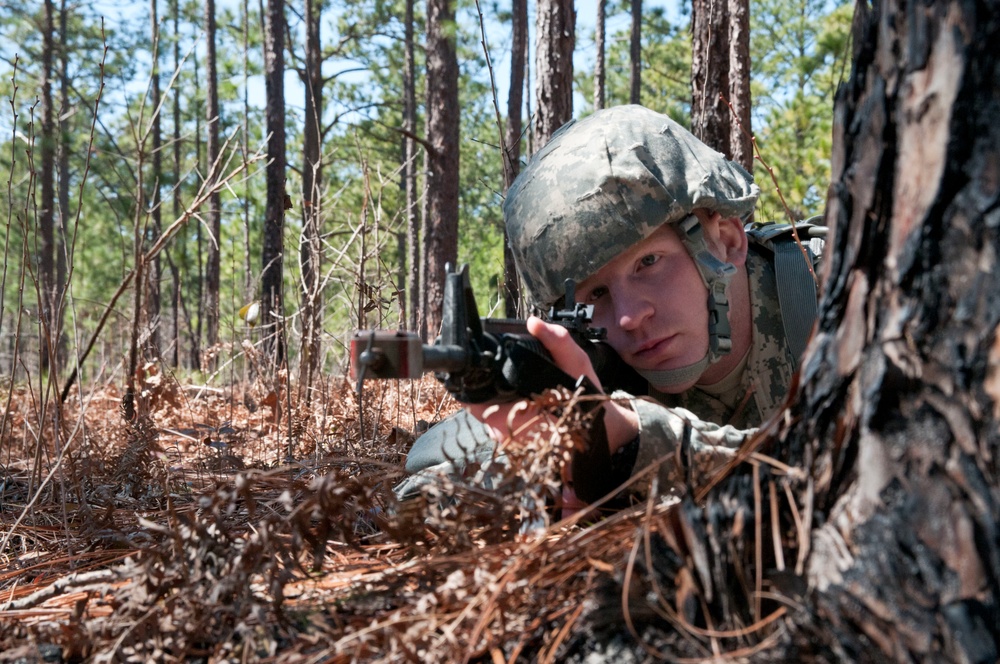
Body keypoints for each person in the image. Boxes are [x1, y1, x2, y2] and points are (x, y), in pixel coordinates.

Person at [394, 104, 824, 510]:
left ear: (726, 241)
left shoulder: (834, 294)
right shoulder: (606, 366)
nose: (628, 316)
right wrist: (558, 463)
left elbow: (854, 479)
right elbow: (427, 470)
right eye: (595, 294)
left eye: (648, 263)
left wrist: (636, 439)